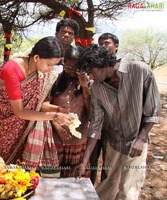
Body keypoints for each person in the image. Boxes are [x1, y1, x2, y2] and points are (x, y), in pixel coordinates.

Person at [75, 44, 161, 200]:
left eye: (92, 72)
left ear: (102, 64)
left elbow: (153, 110)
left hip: (136, 143)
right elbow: (96, 125)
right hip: (113, 144)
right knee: (109, 186)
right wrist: (85, 159)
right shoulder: (97, 89)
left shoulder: (140, 71)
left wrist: (141, 138)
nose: (91, 77)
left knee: (128, 190)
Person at [0, 36, 73, 170]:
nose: (51, 69)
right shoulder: (13, 68)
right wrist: (54, 117)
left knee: (18, 169)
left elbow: (36, 105)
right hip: (1, 124)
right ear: (37, 57)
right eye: (49, 64)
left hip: (24, 125)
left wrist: (57, 110)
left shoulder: (41, 73)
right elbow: (20, 111)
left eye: (54, 65)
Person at [50, 46, 91, 177]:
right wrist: (58, 128)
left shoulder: (89, 83)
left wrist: (84, 87)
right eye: (69, 66)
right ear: (64, 63)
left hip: (77, 140)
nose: (72, 71)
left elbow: (91, 112)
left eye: (76, 67)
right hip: (55, 138)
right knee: (52, 177)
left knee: (73, 180)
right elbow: (44, 106)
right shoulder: (54, 80)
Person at [89, 32, 120, 184]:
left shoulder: (122, 71)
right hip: (97, 124)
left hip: (116, 131)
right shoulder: (96, 78)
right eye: (100, 43)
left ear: (116, 46)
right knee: (92, 164)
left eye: (107, 43)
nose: (103, 46)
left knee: (110, 167)